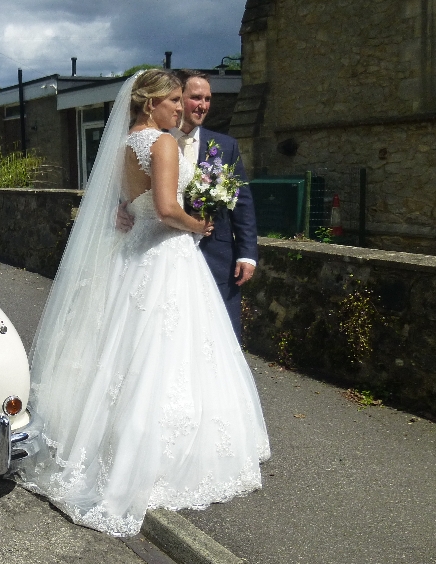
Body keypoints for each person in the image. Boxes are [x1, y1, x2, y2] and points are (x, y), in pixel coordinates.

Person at [16, 70, 270, 537]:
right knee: (168, 351)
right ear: (150, 103)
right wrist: (200, 227)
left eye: (183, 100)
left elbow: (128, 205)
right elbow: (170, 210)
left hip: (135, 254)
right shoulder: (164, 143)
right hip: (167, 254)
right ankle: (152, 459)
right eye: (173, 100)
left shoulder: (120, 146)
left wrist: (134, 211)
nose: (180, 108)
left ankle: (102, 445)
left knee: (124, 350)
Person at [117, 71, 257, 339]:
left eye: (207, 98)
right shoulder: (158, 139)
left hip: (215, 257)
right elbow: (141, 196)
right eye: (193, 98)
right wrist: (120, 209)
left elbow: (242, 200)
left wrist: (247, 253)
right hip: (161, 254)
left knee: (217, 338)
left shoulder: (226, 146)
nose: (201, 105)